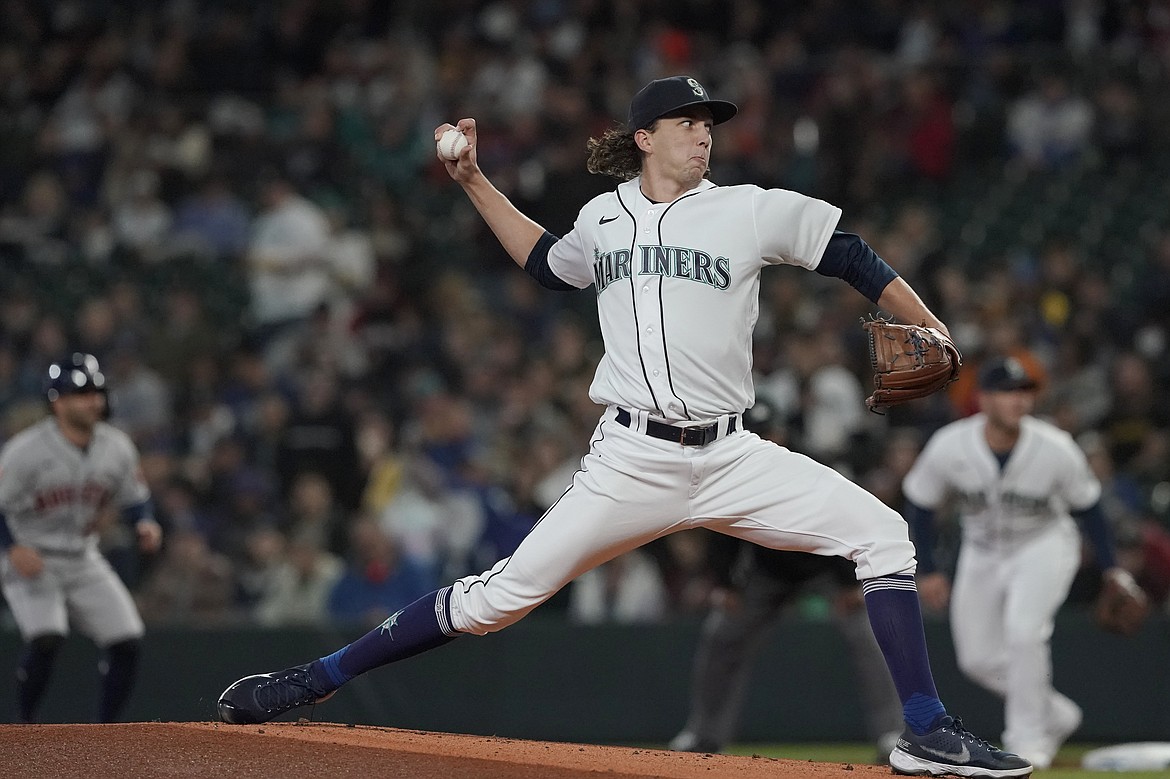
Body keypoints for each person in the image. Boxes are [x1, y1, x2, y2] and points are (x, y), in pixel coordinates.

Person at [217, 75, 1030, 778]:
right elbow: (545, 263)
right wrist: (472, 181)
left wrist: (934, 326)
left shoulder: (748, 211)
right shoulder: (602, 219)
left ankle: (923, 729)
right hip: (631, 459)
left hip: (732, 454)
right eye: (688, 124)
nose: (704, 136)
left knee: (883, 533)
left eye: (710, 125)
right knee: (498, 600)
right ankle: (316, 677)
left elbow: (852, 255)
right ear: (646, 137)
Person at [902, 356, 1131, 770]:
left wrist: (1112, 568)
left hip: (1042, 545)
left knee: (1025, 633)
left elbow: (1090, 508)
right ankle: (1054, 713)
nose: (1018, 400)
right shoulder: (951, 444)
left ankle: (1028, 741)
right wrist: (929, 568)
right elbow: (920, 504)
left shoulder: (1055, 447)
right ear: (983, 399)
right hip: (982, 549)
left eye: (1024, 391)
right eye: (1008, 391)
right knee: (976, 659)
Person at [669, 401, 903, 762]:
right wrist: (725, 584)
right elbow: (720, 526)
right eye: (760, 433)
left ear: (783, 433)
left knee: (868, 635)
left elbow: (845, 519)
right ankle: (703, 733)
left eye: (772, 432)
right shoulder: (734, 467)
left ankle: (892, 734)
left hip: (825, 566)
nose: (769, 439)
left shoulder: (811, 463)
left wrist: (848, 583)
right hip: (768, 571)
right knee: (722, 634)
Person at [0, 353, 162, 722]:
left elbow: (135, 499)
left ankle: (108, 731)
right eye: (82, 393)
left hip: (82, 556)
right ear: (57, 401)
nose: (93, 401)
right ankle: (23, 727)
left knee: (127, 640)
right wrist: (12, 547)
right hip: (32, 557)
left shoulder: (116, 446)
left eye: (97, 392)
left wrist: (145, 523)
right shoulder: (26, 450)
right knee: (47, 635)